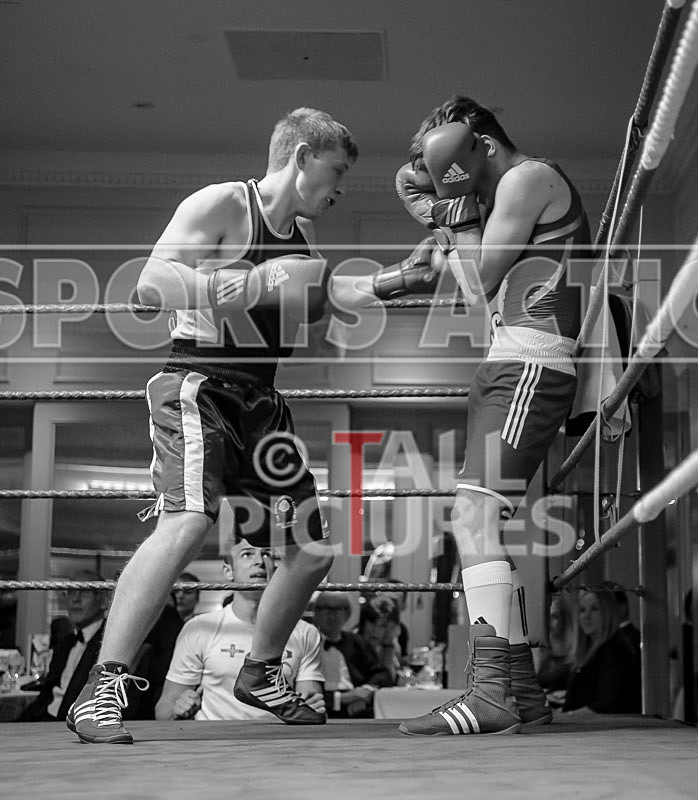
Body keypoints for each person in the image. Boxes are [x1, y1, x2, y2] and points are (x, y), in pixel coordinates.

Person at [65, 106, 457, 744]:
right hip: (198, 384)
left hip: (260, 403)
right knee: (189, 521)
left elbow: (333, 293)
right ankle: (101, 686)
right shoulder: (224, 203)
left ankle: (261, 671)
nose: (338, 190)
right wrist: (247, 284)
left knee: (312, 550)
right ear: (301, 156)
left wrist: (405, 280)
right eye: (334, 173)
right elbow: (148, 286)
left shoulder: (301, 246)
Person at [393, 96, 594, 735]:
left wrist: (447, 215)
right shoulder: (495, 193)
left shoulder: (528, 177)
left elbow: (477, 281)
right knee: (480, 520)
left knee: (472, 516)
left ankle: (490, 694)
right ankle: (523, 692)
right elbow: (473, 287)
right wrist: (448, 218)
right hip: (505, 363)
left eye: (443, 157)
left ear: (475, 140)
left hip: (531, 365)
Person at [155, 537, 324, 721]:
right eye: (247, 554)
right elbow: (164, 709)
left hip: (279, 744)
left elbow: (311, 704)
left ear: (276, 569)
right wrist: (178, 710)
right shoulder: (200, 628)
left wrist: (314, 707)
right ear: (228, 571)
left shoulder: (305, 632)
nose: (259, 561)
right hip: (214, 744)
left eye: (266, 554)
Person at [17, 571, 116, 722]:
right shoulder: (65, 644)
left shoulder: (109, 645)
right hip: (41, 720)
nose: (75, 599)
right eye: (71, 592)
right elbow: (46, 696)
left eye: (84, 592)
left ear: (103, 600)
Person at [312, 590, 393, 718]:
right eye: (326, 608)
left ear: (347, 614)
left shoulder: (357, 642)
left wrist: (365, 693)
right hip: (320, 708)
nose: (332, 615)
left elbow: (382, 674)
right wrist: (340, 698)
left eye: (337, 609)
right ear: (315, 612)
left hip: (357, 709)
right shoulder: (306, 644)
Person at [561, 587, 641, 714]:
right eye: (582, 610)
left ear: (607, 612)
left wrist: (567, 716)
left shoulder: (614, 650)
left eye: (594, 609)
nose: (587, 616)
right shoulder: (590, 649)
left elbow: (606, 704)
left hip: (605, 730)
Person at [355, 596, 403, 687]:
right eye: (372, 623)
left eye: (382, 625)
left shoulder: (390, 646)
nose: (375, 630)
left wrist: (388, 645)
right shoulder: (351, 644)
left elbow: (389, 680)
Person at [537, 593, 576, 696]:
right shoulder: (540, 651)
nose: (550, 622)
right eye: (547, 616)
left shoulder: (576, 652)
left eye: (555, 616)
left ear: (564, 618)